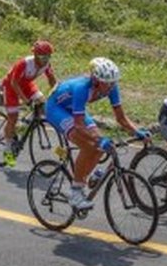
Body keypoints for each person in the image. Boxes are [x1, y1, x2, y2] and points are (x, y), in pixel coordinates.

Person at [45, 57, 151, 211]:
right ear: (95, 80)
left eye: (113, 82)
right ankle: (75, 192)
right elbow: (79, 126)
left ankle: (82, 179)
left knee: (99, 147)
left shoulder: (112, 87)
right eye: (106, 83)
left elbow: (120, 118)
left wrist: (137, 131)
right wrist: (99, 139)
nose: (110, 86)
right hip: (56, 109)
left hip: (73, 109)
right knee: (88, 145)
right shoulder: (82, 88)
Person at [0, 40, 57, 167]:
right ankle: (7, 150)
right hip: (11, 87)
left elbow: (52, 81)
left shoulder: (46, 64)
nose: (46, 60)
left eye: (48, 56)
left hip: (27, 85)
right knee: (13, 117)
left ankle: (21, 127)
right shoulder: (24, 63)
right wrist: (25, 100)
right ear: (35, 55)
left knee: (42, 105)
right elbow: (14, 83)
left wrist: (57, 94)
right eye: (43, 57)